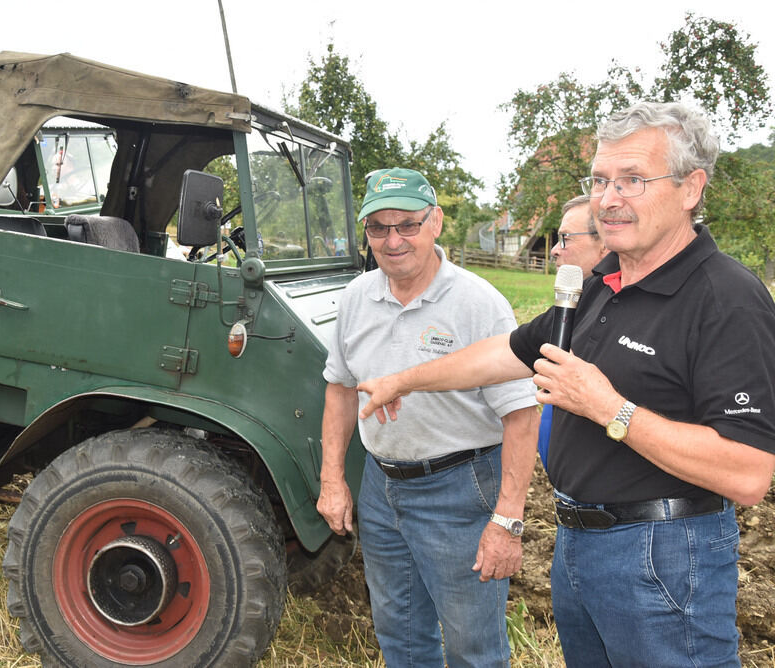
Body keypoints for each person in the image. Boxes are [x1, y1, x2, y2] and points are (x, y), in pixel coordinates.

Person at [357, 102, 775, 667]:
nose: (609, 198)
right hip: (579, 544)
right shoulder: (604, 281)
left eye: (632, 180)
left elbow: (748, 472)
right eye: (601, 180)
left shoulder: (725, 297)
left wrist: (609, 408)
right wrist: (401, 381)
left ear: (690, 188)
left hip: (665, 555)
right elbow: (503, 355)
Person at [318, 167, 537, 667]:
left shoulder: (479, 305)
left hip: (459, 488)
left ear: (435, 222)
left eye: (407, 225)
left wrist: (507, 520)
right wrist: (333, 478)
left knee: (473, 647)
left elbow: (522, 416)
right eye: (379, 228)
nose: (393, 240)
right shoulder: (355, 298)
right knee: (400, 631)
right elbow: (339, 389)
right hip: (381, 485)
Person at [538, 195, 609, 467]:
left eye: (565, 238)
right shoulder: (572, 306)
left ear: (604, 242)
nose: (555, 250)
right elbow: (508, 351)